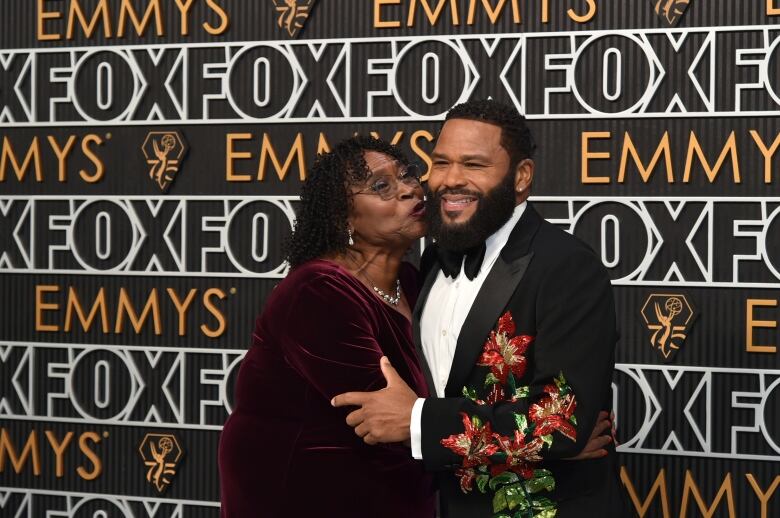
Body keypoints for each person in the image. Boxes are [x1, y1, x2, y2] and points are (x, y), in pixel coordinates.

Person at [333, 100, 631, 517]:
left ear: (521, 176)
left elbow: (561, 424)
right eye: (441, 162)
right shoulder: (434, 259)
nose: (451, 179)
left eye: (473, 165)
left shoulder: (566, 267)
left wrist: (418, 422)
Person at [218, 136, 435, 517]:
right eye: (381, 186)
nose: (409, 189)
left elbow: (414, 414)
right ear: (343, 217)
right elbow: (385, 417)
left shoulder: (413, 283)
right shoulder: (318, 291)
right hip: (306, 495)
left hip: (385, 491)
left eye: (406, 175)